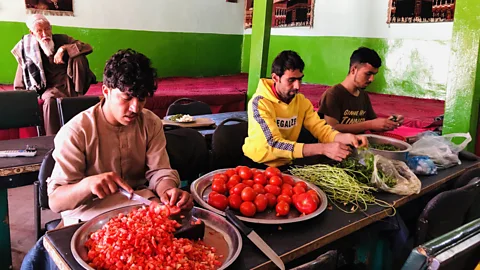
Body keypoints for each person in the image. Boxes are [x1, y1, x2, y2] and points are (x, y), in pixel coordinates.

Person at [47, 49, 193, 226]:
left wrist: (168, 191)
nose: (135, 108)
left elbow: (159, 171)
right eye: (127, 97)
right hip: (88, 217)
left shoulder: (151, 123)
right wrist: (87, 185)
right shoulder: (76, 132)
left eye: (142, 99)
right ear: (106, 91)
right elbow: (55, 202)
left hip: (140, 206)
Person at [242, 50, 367, 168]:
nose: (297, 86)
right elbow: (273, 144)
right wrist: (323, 148)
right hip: (257, 165)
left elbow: (322, 130)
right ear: (275, 78)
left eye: (300, 79)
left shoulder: (301, 101)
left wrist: (347, 138)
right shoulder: (259, 103)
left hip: (286, 163)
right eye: (291, 80)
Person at [11, 14, 95, 135]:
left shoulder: (62, 39)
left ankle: (78, 95)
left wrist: (63, 49)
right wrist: (20, 96)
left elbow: (87, 47)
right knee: (50, 101)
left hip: (71, 83)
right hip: (48, 89)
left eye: (47, 29)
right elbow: (23, 71)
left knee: (79, 57)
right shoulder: (28, 50)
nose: (45, 34)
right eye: (39, 31)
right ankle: (52, 140)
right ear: (32, 33)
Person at [318, 47, 404, 134]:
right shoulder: (333, 94)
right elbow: (331, 129)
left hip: (361, 146)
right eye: (368, 74)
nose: (371, 79)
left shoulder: (363, 95)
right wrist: (368, 125)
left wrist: (389, 122)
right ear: (353, 70)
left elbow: (374, 125)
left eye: (374, 74)